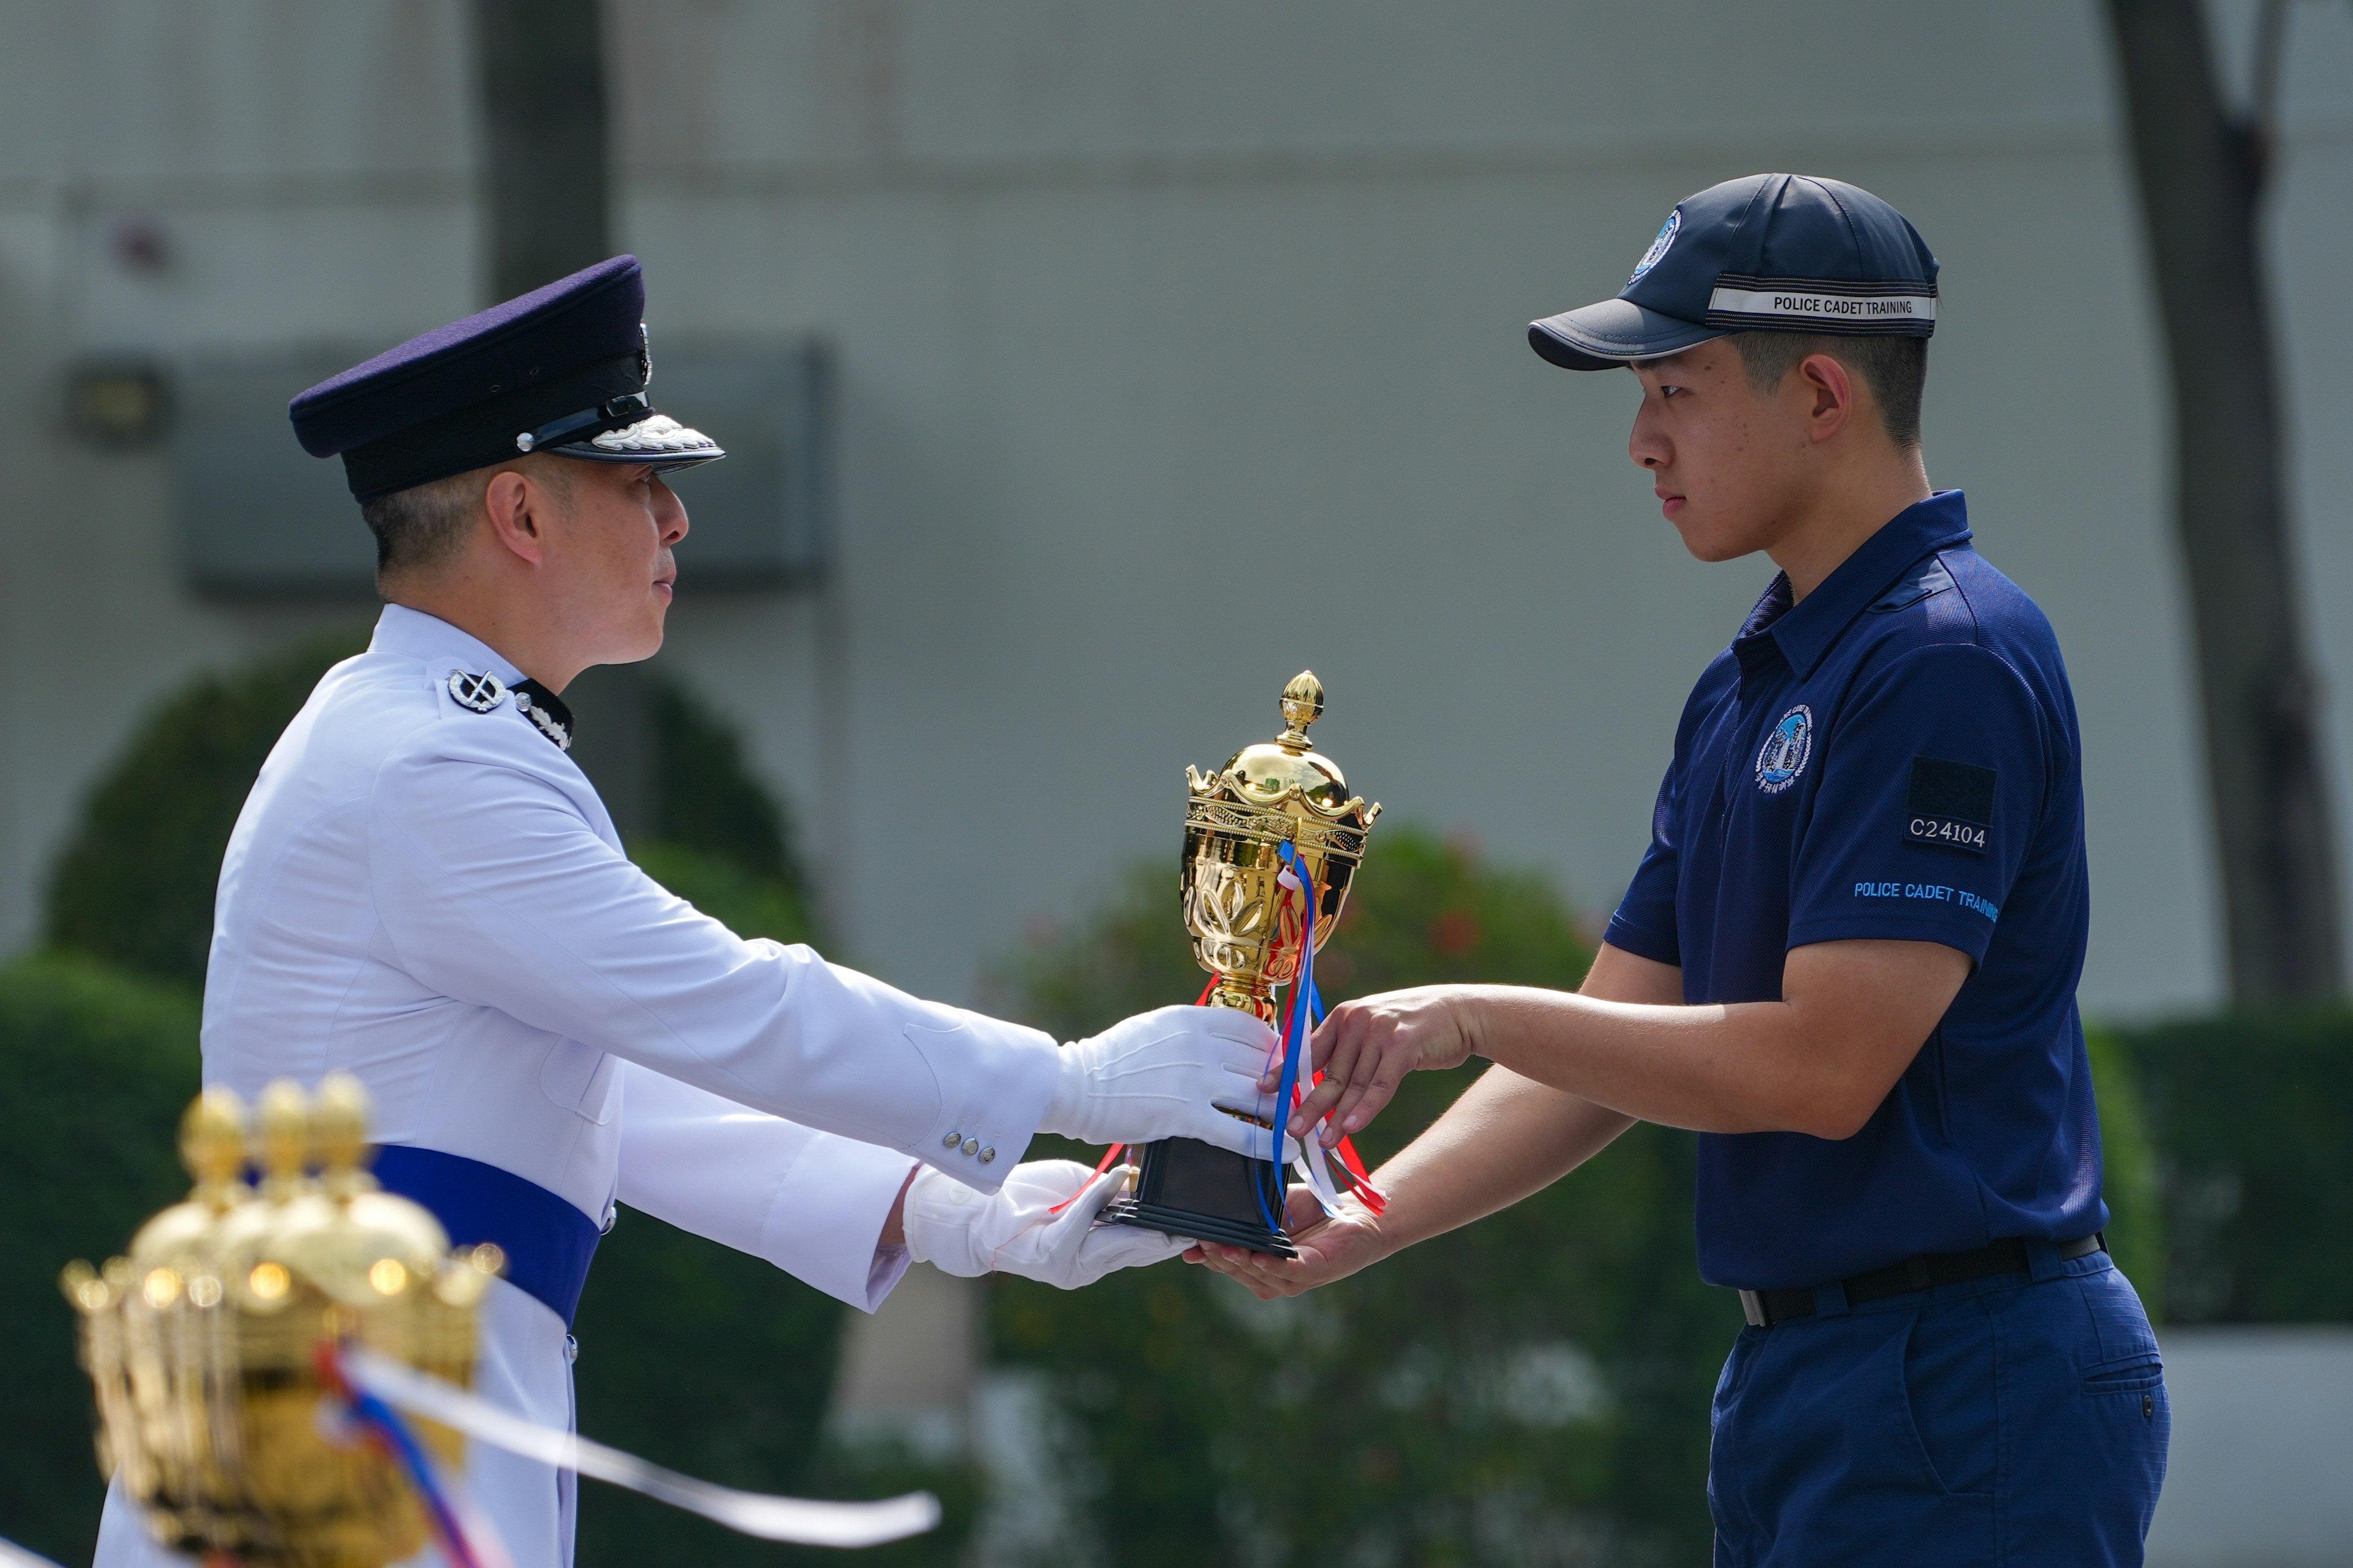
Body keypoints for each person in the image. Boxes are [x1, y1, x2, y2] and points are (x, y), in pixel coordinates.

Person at [93, 255, 1272, 1568]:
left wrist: (950, 1209)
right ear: (521, 516)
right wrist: (1073, 1080)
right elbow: (725, 999)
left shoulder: (429, 741)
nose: (675, 523)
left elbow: (608, 1089)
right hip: (344, 1436)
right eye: (638, 484)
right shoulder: (429, 762)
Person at [1193, 175, 2168, 1564]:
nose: (1640, 443)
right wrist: (1356, 1217)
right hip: (1811, 1378)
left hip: (1963, 1381)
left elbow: (1824, 1070)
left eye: (1676, 392)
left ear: (1821, 395)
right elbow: (1614, 1041)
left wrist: (1463, 1015)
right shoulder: (1753, 681)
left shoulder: (1942, 658)